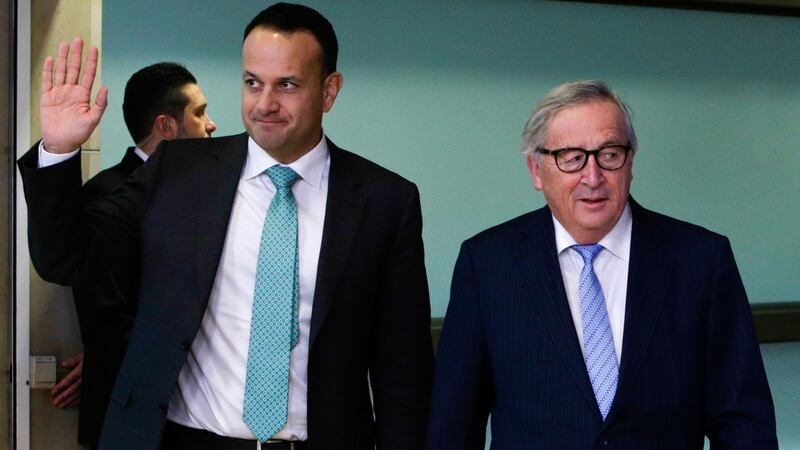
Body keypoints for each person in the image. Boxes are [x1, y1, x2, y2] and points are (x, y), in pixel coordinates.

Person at [19, 3, 432, 450]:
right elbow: (67, 258)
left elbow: (403, 371)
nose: (265, 104)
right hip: (183, 439)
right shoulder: (177, 172)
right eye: (252, 82)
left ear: (329, 90)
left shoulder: (385, 201)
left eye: (287, 85)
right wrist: (58, 151)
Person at [426, 80, 777, 449]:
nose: (592, 177)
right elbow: (453, 426)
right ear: (536, 170)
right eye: (572, 157)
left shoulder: (701, 259)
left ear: (631, 162)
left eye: (609, 155)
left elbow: (743, 423)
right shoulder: (488, 264)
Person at [50, 62, 216, 449]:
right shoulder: (107, 195)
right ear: (166, 126)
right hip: (129, 416)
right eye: (200, 112)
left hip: (201, 415)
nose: (211, 124)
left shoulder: (208, 194)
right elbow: (105, 313)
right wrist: (108, 358)